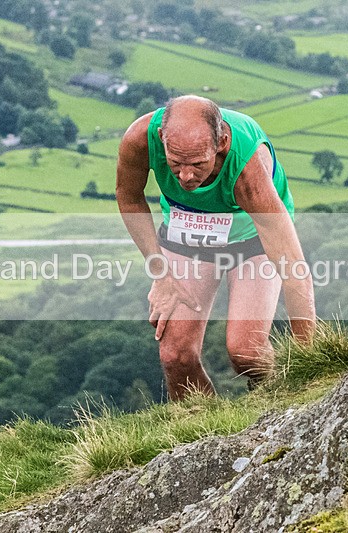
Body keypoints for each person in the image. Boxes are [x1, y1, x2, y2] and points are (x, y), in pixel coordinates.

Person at [116, 95, 315, 400]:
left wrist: (309, 367)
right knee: (175, 356)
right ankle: (197, 430)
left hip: (252, 235)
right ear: (161, 139)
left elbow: (294, 273)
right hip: (188, 230)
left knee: (246, 352)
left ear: (221, 142)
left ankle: (278, 408)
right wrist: (161, 273)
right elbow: (129, 198)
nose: (185, 176)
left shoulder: (249, 170)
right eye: (175, 163)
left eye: (198, 164)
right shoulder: (140, 139)